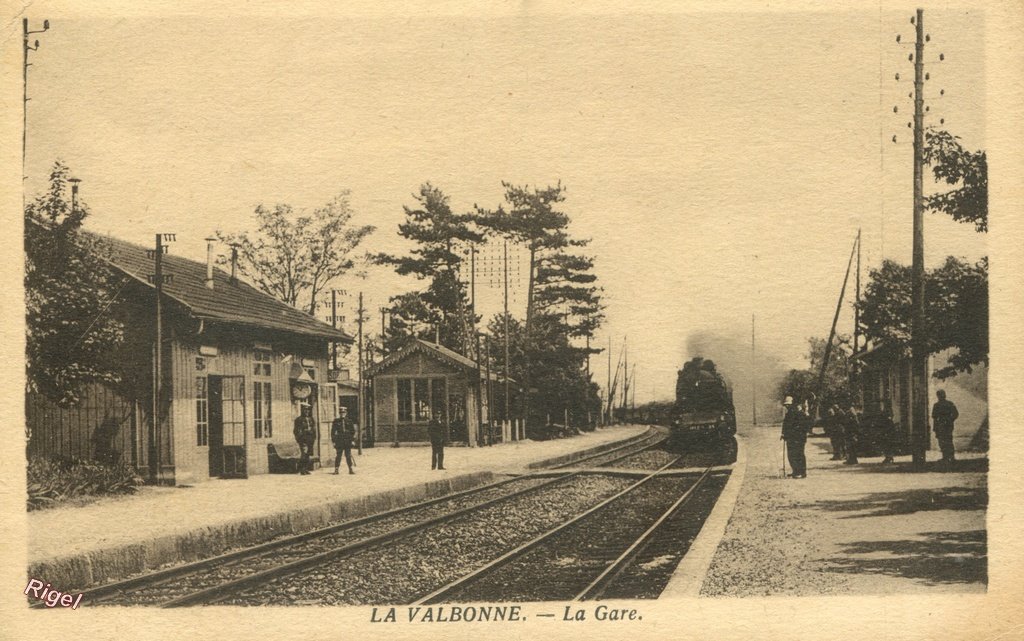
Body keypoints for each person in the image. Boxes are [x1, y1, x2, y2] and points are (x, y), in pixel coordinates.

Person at [781, 395, 807, 478]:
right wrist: (783, 434)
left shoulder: (798, 413)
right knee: (792, 455)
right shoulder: (789, 413)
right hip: (791, 438)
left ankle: (801, 472)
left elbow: (801, 426)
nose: (787, 406)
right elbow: (786, 425)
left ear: (792, 404)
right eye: (786, 405)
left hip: (798, 438)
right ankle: (795, 471)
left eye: (788, 404)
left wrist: (788, 433)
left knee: (798, 455)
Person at [932, 389, 960, 464]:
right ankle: (947, 457)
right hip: (944, 426)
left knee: (946, 441)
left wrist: (949, 420)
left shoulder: (947, 404)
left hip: (945, 426)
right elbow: (934, 417)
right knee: (944, 442)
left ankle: (949, 457)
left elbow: (955, 414)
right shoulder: (938, 405)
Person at [330, 407, 355, 475]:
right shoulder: (336, 421)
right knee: (338, 456)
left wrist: (352, 440)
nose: (342, 414)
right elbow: (333, 432)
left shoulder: (349, 421)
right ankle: (336, 469)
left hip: (347, 441)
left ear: (346, 413)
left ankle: (350, 469)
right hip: (339, 441)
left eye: (344, 413)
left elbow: (352, 432)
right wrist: (334, 441)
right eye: (341, 413)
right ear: (339, 413)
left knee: (348, 456)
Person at [293, 406, 317, 475]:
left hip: (310, 439)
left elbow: (314, 429)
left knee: (308, 454)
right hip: (303, 439)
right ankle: (301, 469)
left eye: (308, 410)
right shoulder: (299, 419)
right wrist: (299, 438)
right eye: (305, 410)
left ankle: (305, 469)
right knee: (304, 453)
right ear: (302, 411)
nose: (306, 412)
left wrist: (314, 437)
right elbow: (296, 431)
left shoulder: (311, 419)